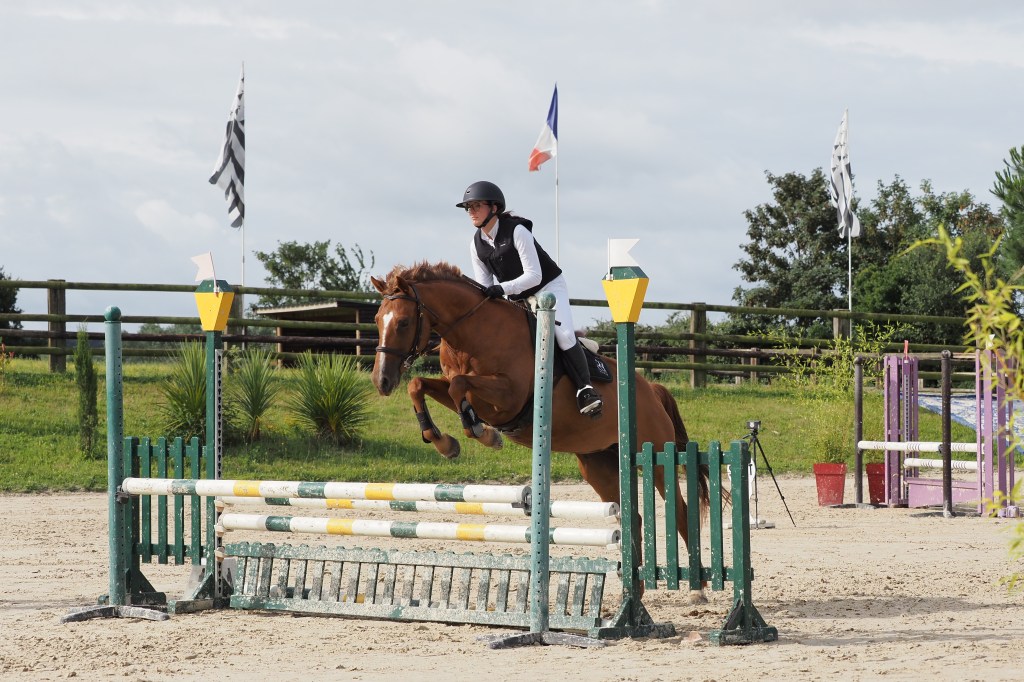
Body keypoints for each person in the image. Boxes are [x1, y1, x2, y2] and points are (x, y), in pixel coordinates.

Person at [457, 180, 602, 417]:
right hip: (517, 297)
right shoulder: (476, 245)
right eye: (468, 208)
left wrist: (502, 288)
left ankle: (586, 389)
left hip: (548, 288)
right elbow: (485, 286)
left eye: (476, 206)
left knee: (563, 335)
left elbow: (534, 276)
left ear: (494, 207)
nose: (471, 212)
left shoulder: (517, 231)